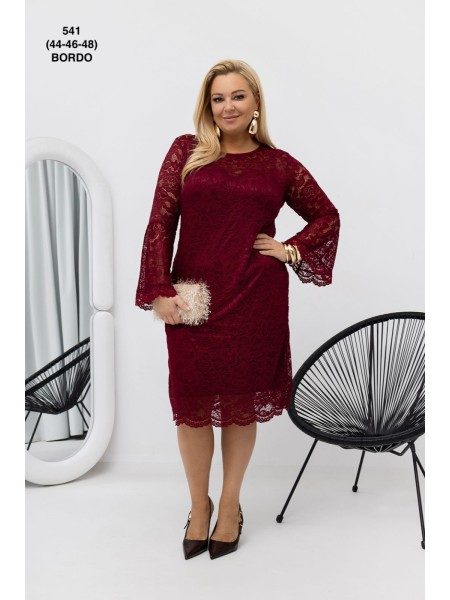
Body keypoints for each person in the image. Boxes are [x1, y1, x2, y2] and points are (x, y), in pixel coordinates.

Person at [135, 59, 340, 560]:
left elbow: (326, 214)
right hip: (194, 302)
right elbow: (160, 221)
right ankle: (198, 505)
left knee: (239, 404)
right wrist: (158, 287)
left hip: (254, 299)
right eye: (218, 98)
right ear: (208, 106)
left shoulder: (278, 165)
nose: (228, 106)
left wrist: (289, 250)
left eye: (238, 96)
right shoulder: (186, 152)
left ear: (256, 103)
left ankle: (229, 505)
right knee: (191, 406)